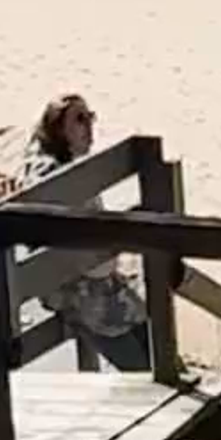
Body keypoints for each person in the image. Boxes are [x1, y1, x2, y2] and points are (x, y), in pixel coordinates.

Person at [21, 88, 150, 368]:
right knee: (145, 371)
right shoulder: (57, 177)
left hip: (98, 284)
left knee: (156, 347)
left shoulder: (59, 168)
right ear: (57, 128)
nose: (89, 127)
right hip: (82, 295)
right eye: (79, 120)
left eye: (90, 117)